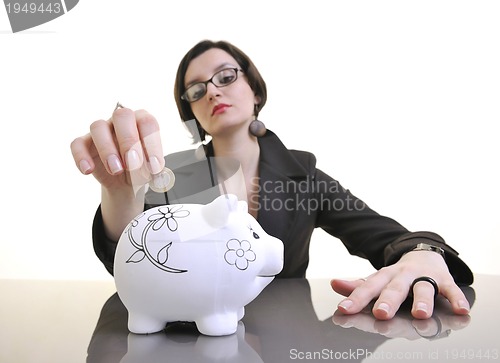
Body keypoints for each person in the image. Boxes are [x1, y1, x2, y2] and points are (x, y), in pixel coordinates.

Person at [70, 39, 473, 321]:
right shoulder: (168, 175)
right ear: (192, 111)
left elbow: (385, 236)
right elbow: (129, 257)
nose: (211, 91)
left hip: (288, 338)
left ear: (254, 89)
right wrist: (119, 190)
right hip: (188, 342)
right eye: (195, 90)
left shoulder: (303, 172)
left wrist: (421, 252)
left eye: (225, 76)